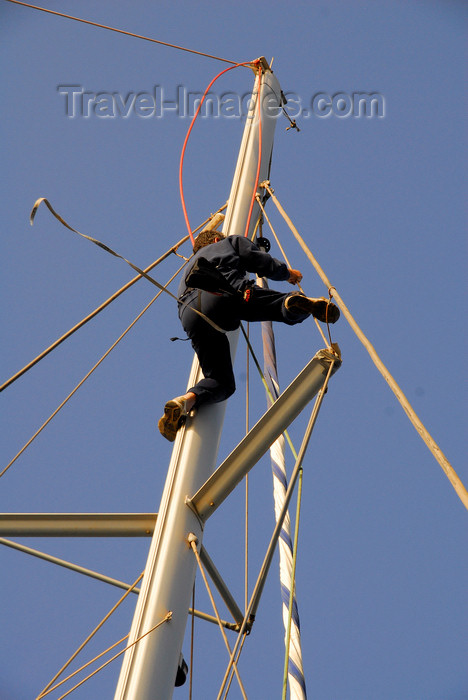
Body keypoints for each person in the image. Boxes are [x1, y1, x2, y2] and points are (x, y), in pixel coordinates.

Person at [158, 229, 340, 441]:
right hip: (221, 290)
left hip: (191, 315)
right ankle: (292, 303)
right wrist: (287, 273)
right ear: (217, 240)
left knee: (221, 382)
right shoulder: (229, 243)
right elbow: (257, 260)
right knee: (269, 304)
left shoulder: (188, 265)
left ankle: (186, 401)